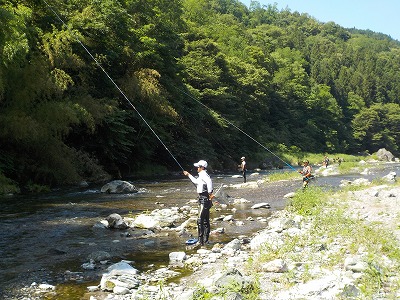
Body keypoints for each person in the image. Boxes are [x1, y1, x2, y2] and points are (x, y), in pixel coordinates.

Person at [183, 160, 214, 246]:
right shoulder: (201, 175)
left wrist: (210, 193)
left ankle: (201, 242)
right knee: (205, 221)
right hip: (202, 199)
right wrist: (188, 175)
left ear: (202, 167)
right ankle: (205, 240)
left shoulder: (204, 174)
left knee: (200, 220)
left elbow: (209, 182)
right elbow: (196, 182)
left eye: (198, 167)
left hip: (204, 199)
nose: (197, 168)